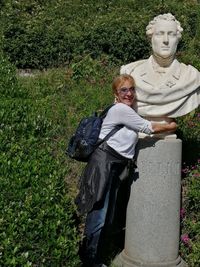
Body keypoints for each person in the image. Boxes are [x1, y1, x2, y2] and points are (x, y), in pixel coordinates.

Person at [75, 74, 177, 267]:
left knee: (106, 213)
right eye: (124, 90)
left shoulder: (125, 111)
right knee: (99, 213)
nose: (129, 93)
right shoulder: (121, 110)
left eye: (131, 89)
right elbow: (149, 127)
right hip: (104, 164)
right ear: (116, 93)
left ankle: (95, 258)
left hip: (113, 165)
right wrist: (172, 125)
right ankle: (89, 261)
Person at [120, 13, 200, 119]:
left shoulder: (191, 77)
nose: (165, 40)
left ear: (177, 40)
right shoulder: (130, 73)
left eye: (171, 34)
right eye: (160, 34)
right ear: (151, 39)